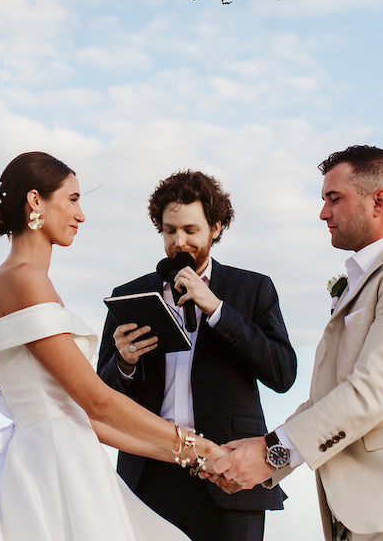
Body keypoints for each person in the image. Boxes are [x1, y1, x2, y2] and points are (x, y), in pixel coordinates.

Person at [209, 146, 383, 541]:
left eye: (334, 198)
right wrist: (266, 451)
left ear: (379, 200)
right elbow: (332, 396)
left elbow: (374, 389)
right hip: (367, 516)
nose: (323, 213)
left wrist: (271, 452)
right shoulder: (367, 282)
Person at [0, 152, 225, 541]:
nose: (80, 214)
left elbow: (91, 420)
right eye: (72, 199)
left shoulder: (18, 281)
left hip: (65, 459)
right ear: (36, 201)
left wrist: (191, 453)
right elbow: (96, 400)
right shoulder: (22, 280)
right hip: (53, 473)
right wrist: (197, 444)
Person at [97, 170, 297, 541]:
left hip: (230, 472)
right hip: (149, 476)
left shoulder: (252, 289)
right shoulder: (130, 295)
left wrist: (219, 311)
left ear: (216, 228)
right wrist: (124, 362)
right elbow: (101, 396)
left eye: (190, 230)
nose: (179, 241)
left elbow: (283, 374)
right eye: (169, 230)